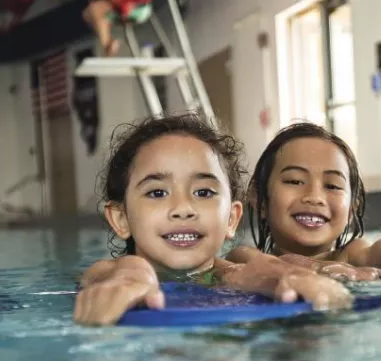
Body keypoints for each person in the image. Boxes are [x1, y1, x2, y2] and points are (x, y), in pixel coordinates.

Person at [73, 114, 352, 326]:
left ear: (231, 218)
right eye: (157, 192)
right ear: (121, 218)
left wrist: (289, 277)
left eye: (203, 192)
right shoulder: (111, 273)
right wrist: (133, 272)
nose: (183, 208)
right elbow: (103, 274)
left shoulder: (235, 272)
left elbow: (257, 272)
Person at [227, 122, 381, 282]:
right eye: (295, 181)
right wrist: (319, 268)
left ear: (351, 209)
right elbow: (268, 266)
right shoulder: (243, 256)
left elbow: (379, 249)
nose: (314, 197)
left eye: (332, 186)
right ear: (259, 199)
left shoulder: (351, 255)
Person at [82, 0, 153, 57]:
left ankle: (108, 46)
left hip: (138, 7)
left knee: (95, 10)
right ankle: (109, 44)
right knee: (88, 14)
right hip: (121, 7)